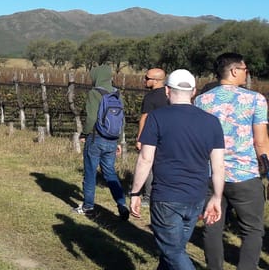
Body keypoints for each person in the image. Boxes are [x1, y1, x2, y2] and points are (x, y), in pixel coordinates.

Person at [129, 69, 225, 270]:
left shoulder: (156, 118)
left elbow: (146, 159)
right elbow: (218, 166)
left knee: (173, 252)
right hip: (196, 197)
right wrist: (216, 197)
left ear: (166, 91)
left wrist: (136, 192)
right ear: (194, 92)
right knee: (172, 251)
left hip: (167, 196)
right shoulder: (212, 122)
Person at [194, 52, 268, 270]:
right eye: (245, 70)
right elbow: (261, 141)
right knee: (252, 229)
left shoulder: (201, 100)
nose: (247, 74)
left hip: (209, 172)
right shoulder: (255, 99)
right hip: (244, 174)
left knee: (212, 225)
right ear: (235, 71)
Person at [73, 64, 129, 220]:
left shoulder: (94, 93)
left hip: (96, 138)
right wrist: (118, 140)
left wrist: (84, 133)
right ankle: (122, 204)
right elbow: (122, 121)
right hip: (112, 139)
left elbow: (91, 118)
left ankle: (88, 207)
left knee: (90, 173)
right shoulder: (118, 94)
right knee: (110, 172)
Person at [135, 68, 169, 204]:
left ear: (156, 81)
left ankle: (148, 196)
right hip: (169, 135)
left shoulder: (151, 97)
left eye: (147, 78)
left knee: (148, 165)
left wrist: (140, 137)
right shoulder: (170, 94)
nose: (144, 80)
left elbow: (145, 117)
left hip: (153, 136)